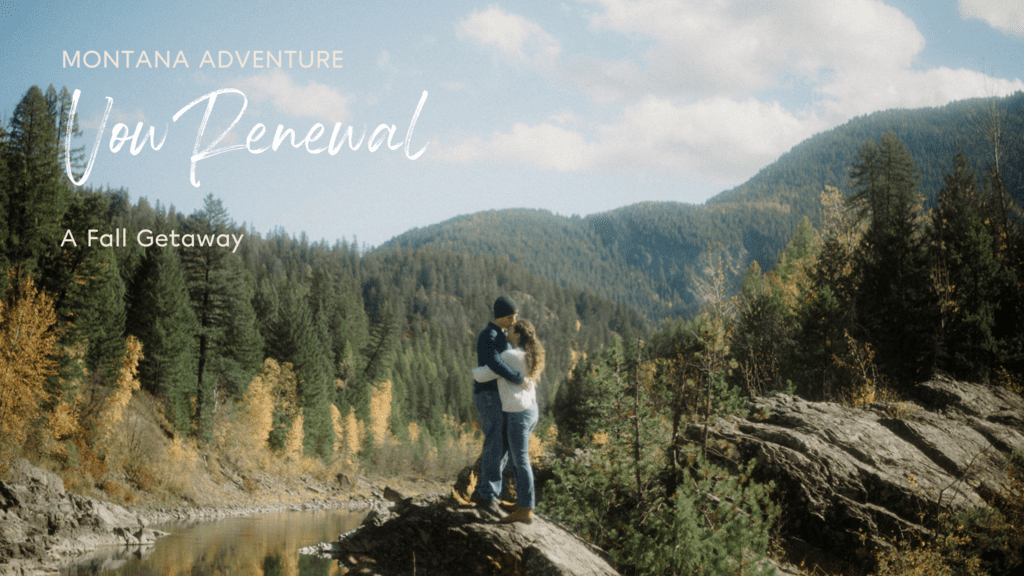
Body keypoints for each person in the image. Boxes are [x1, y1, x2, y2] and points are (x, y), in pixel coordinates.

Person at [473, 319, 545, 524]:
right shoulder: (528, 356)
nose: (506, 332)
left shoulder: (509, 355)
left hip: (518, 413)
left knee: (520, 460)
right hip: (531, 410)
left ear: (518, 335)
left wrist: (474, 370)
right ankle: (523, 503)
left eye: (511, 330)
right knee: (517, 459)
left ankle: (526, 509)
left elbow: (482, 375)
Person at [471, 296, 524, 518]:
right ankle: (487, 496)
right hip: (489, 395)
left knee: (500, 442)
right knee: (496, 441)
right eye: (513, 315)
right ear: (502, 315)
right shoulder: (489, 335)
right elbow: (494, 363)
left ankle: (485, 493)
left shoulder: (500, 335)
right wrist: (517, 377)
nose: (515, 319)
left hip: (497, 395)